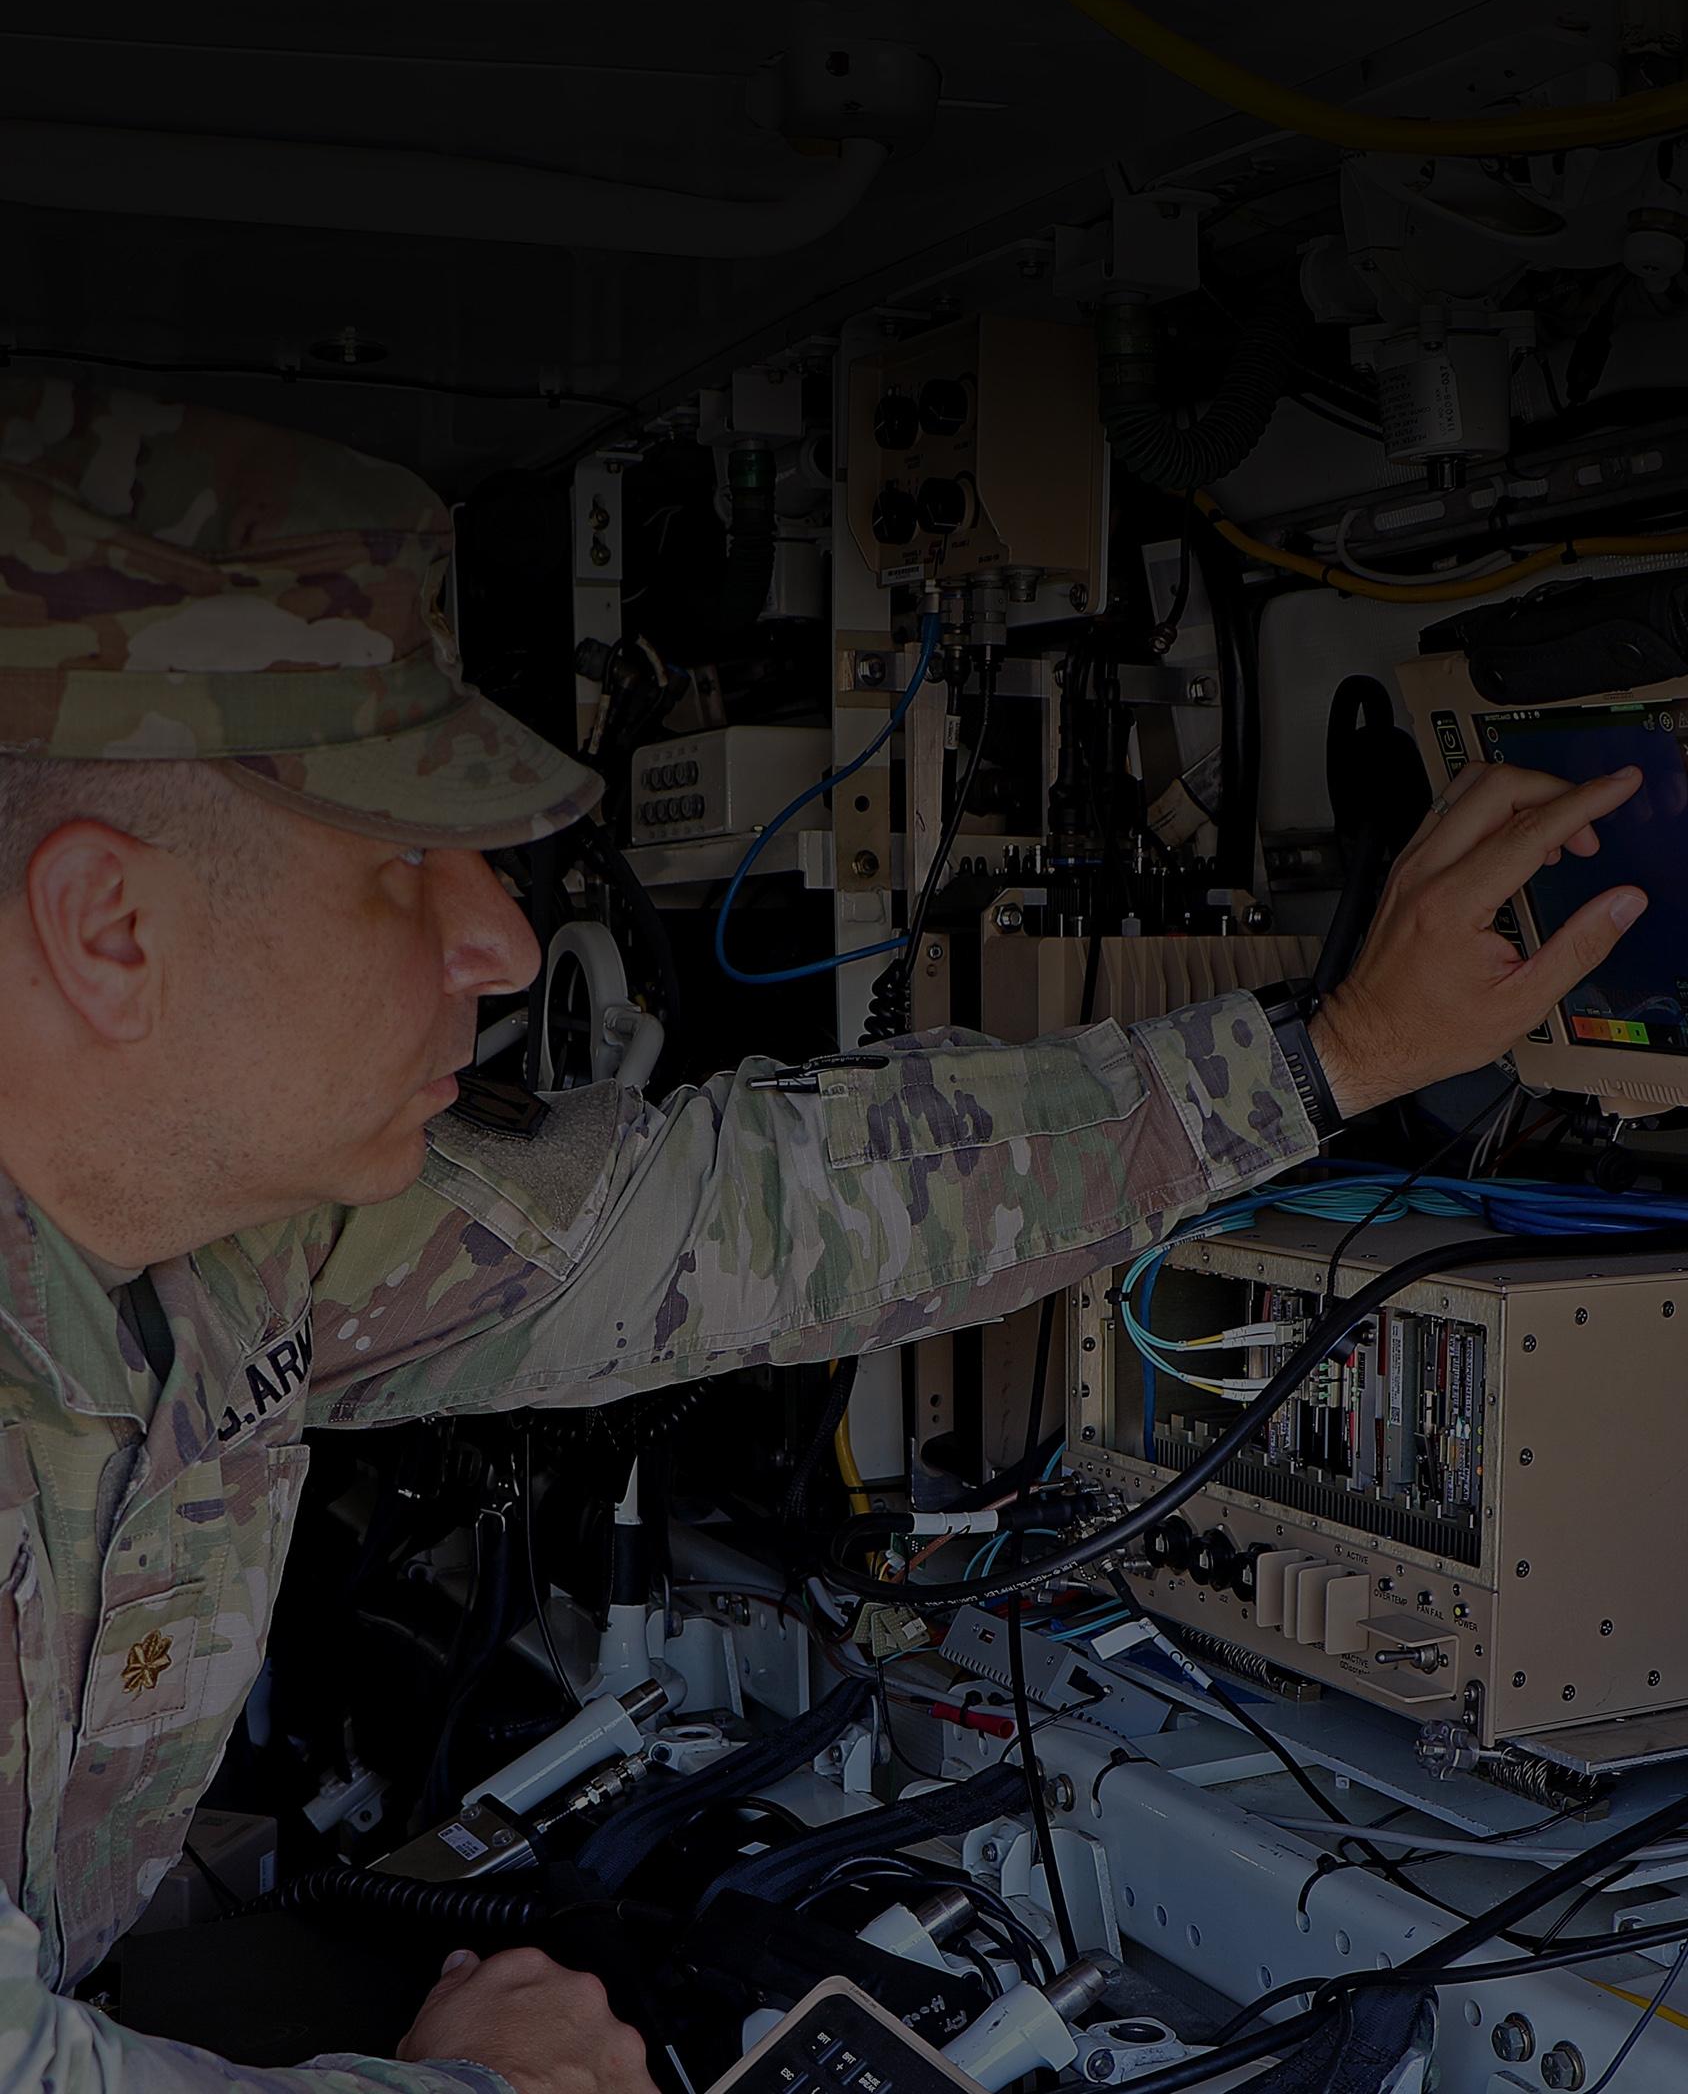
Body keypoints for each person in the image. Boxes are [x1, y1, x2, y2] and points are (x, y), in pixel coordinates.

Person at [0, 379, 1647, 2094]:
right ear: (110, 929)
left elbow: (769, 1209)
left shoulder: (242, 1243)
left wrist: (1341, 1055)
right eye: (402, 870)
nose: (496, 939)